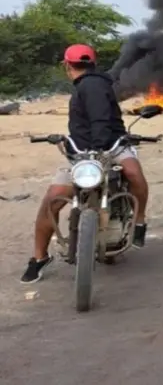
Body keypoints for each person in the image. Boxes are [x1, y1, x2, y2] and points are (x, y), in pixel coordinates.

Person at [21, 45, 152, 284]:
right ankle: (39, 258)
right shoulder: (95, 84)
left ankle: (140, 220)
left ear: (66, 65)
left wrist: (102, 146)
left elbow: (101, 120)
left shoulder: (94, 84)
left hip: (113, 147)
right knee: (54, 196)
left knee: (132, 172)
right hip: (82, 155)